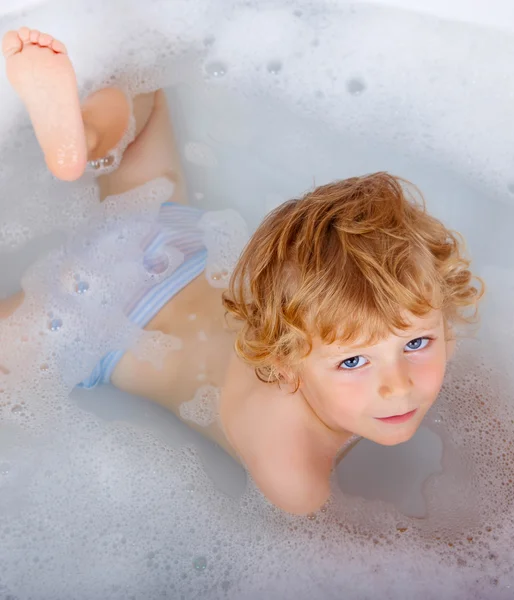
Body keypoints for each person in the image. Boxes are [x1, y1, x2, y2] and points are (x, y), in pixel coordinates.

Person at [1, 28, 483, 515]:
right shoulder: (294, 476)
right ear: (284, 367)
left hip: (166, 235)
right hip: (89, 325)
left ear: (445, 318)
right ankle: (76, 143)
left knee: (142, 88)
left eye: (417, 344)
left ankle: (83, 140)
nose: (397, 384)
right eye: (353, 362)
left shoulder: (383, 336)